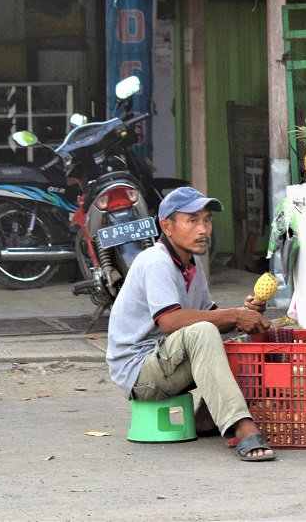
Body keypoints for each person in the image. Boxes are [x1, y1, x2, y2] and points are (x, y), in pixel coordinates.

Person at [105, 186, 277, 461]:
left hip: (169, 361)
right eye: (192, 220)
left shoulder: (191, 263)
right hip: (140, 373)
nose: (203, 229)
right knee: (203, 331)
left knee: (240, 339)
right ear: (167, 226)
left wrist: (245, 314)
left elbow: (209, 315)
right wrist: (234, 315)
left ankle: (207, 418)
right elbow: (170, 320)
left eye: (207, 220)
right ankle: (243, 428)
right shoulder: (155, 261)